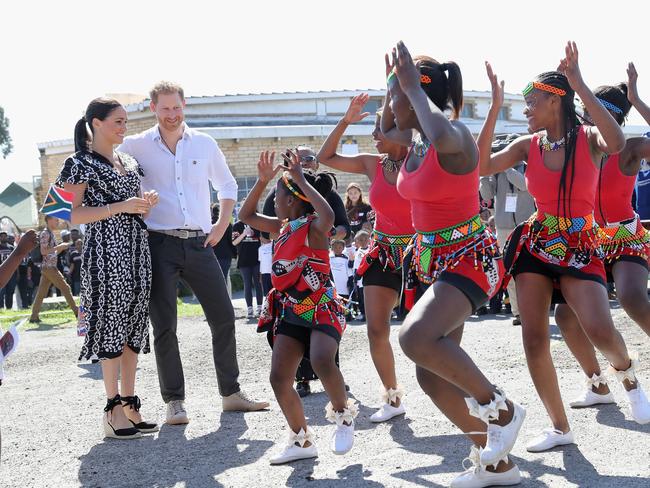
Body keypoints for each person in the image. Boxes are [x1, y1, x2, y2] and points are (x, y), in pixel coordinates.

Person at [479, 43, 650, 456]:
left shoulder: (590, 138)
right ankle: (560, 427)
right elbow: (482, 165)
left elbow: (615, 140)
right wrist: (492, 108)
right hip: (536, 243)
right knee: (535, 338)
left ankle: (626, 377)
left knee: (599, 327)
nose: (525, 110)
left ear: (555, 100)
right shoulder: (527, 144)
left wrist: (579, 83)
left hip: (582, 242)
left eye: (531, 101)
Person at [385, 42, 524, 487]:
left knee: (415, 337)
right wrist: (392, 84)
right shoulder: (415, 144)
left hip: (471, 258)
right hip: (437, 262)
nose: (390, 108)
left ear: (417, 98)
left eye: (398, 98)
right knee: (430, 376)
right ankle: (496, 465)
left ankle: (501, 409)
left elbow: (440, 130)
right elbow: (384, 126)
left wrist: (410, 86)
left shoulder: (453, 136)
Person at [118, 81, 268, 423]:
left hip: (201, 242)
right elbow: (111, 168)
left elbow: (227, 185)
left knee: (224, 317)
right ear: (153, 108)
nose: (172, 114)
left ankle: (230, 394)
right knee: (165, 326)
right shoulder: (134, 145)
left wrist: (221, 225)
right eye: (165, 108)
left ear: (184, 105)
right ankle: (175, 402)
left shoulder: (204, 143)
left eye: (177, 107)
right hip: (158, 243)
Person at [238, 149, 355, 464]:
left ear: (291, 200)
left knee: (321, 360)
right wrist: (262, 182)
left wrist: (300, 178)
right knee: (279, 377)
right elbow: (245, 216)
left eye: (277, 196)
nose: (274, 202)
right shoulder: (280, 226)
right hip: (291, 309)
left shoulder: (315, 227)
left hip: (321, 307)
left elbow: (330, 217)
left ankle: (343, 417)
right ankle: (301, 440)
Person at [57, 97, 159, 439]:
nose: (123, 127)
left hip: (137, 251)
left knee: (133, 327)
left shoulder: (128, 160)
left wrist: (144, 205)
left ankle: (130, 403)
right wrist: (120, 206)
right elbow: (61, 215)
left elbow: (135, 206)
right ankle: (112, 406)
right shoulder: (78, 162)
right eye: (117, 121)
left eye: (125, 122)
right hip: (105, 254)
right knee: (111, 327)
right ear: (96, 123)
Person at [554, 64, 650, 414]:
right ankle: (597, 384)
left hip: (624, 237)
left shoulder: (631, 148)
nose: (584, 119)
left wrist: (637, 99)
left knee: (632, 297)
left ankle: (625, 381)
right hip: (587, 241)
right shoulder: (578, 146)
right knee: (565, 315)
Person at [317, 95, 412, 421]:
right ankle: (393, 398)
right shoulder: (374, 163)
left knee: (429, 336)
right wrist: (345, 120)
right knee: (376, 330)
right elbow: (325, 157)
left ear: (402, 132)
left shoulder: (423, 159)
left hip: (421, 255)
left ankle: (457, 391)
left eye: (380, 130)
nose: (374, 136)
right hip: (384, 253)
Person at [261, 146, 351, 398]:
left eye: (309, 159)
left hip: (318, 274)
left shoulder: (325, 193)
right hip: (291, 286)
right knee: (294, 331)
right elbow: (263, 222)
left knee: (325, 338)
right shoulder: (281, 190)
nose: (303, 163)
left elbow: (338, 222)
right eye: (298, 160)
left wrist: (322, 234)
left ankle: (332, 375)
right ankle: (302, 380)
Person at [480, 134, 536, 325]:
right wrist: (485, 176)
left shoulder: (529, 166)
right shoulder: (497, 172)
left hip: (525, 225)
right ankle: (518, 312)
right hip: (503, 228)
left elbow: (524, 185)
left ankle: (533, 309)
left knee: (529, 270)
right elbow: (487, 195)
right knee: (509, 271)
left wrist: (506, 167)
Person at [29, 216, 78, 322]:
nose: (58, 222)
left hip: (49, 267)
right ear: (49, 220)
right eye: (56, 220)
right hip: (49, 268)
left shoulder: (50, 233)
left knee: (41, 293)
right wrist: (59, 247)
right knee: (66, 288)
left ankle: (33, 317)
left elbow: (52, 253)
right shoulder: (46, 233)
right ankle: (77, 312)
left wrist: (61, 247)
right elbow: (43, 252)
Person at [232, 220, 263, 319]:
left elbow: (262, 239)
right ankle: (249, 309)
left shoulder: (257, 222)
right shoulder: (237, 225)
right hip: (244, 260)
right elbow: (234, 242)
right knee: (247, 284)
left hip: (257, 259)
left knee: (258, 284)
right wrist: (244, 233)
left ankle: (260, 308)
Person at [211, 204, 236, 294]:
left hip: (212, 255)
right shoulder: (227, 225)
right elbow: (231, 241)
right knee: (224, 278)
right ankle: (224, 300)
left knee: (212, 279)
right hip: (225, 256)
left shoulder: (208, 226)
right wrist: (235, 254)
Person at [0, 232, 17, 309]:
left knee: (10, 292)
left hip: (11, 273)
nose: (4, 238)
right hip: (1, 273)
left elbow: (15, 261)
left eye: (5, 236)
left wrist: (17, 273)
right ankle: (1, 308)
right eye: (2, 236)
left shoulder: (11, 248)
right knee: (1, 292)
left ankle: (9, 308)